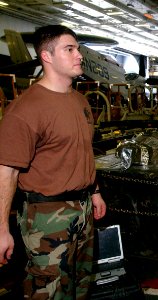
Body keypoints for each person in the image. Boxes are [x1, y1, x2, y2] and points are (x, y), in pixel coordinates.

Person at [0, 25, 106, 299]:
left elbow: (82, 152)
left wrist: (95, 193)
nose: (78, 55)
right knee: (48, 290)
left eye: (77, 49)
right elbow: (7, 172)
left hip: (82, 211)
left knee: (81, 285)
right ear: (47, 56)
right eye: (69, 49)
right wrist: (1, 230)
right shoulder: (25, 110)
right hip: (46, 216)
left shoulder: (81, 101)